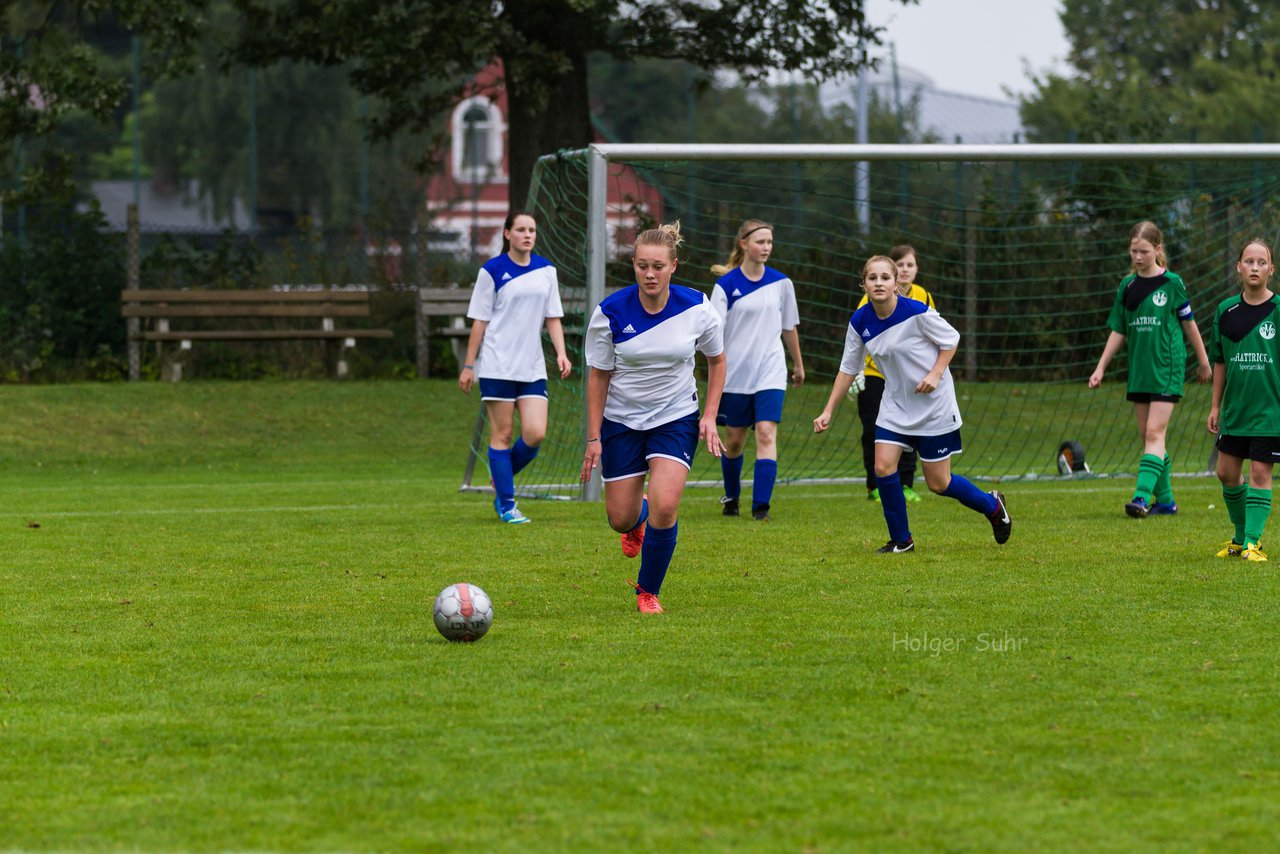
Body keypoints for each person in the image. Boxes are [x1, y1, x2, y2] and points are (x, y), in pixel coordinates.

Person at [813, 256, 1011, 553]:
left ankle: (992, 506)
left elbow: (951, 339)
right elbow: (848, 368)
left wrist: (935, 373)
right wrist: (828, 410)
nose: (878, 283)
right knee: (882, 466)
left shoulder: (916, 311)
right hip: (895, 405)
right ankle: (902, 540)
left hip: (933, 404)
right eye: (872, 278)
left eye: (885, 278)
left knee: (939, 483)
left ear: (896, 283)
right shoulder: (860, 320)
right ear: (863, 284)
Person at [580, 222, 726, 613]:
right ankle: (636, 518)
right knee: (620, 517)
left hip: (675, 417)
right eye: (642, 265)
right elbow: (598, 376)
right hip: (621, 421)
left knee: (666, 505)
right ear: (633, 265)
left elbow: (716, 359)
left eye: (658, 266)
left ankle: (648, 591)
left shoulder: (697, 306)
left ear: (673, 266)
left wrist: (709, 415)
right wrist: (593, 437)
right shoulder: (609, 312)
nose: (649, 273)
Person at [1088, 220, 1212, 518]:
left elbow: (1188, 323)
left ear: (1157, 249)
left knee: (1155, 432)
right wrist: (1100, 367)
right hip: (1140, 370)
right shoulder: (1127, 286)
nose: (1138, 257)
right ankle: (1166, 502)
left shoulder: (1172, 283)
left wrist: (1204, 360)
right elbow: (1119, 330)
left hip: (1167, 366)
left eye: (1143, 251)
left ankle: (1141, 498)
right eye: (1133, 251)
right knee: (1149, 436)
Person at [459, 211, 572, 524]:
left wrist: (561, 353)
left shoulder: (546, 270)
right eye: (521, 229)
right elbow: (480, 321)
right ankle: (507, 505)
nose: (527, 235)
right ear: (507, 234)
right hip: (497, 364)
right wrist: (469, 365)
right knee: (504, 433)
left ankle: (502, 475)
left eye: (532, 230)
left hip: (532, 365)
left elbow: (553, 317)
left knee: (536, 433)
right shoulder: (492, 271)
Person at [710, 219, 805, 522]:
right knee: (735, 441)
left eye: (769, 242)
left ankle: (761, 507)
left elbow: (789, 327)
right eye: (760, 241)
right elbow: (712, 334)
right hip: (734, 375)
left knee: (765, 432)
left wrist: (798, 364)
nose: (766, 247)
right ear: (744, 244)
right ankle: (732, 498)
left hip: (771, 371)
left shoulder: (782, 283)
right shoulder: (725, 286)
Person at [1206, 238, 1280, 562]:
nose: (1254, 267)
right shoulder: (1225, 311)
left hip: (1269, 411)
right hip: (1236, 411)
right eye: (1249, 261)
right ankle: (1240, 536)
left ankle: (1252, 541)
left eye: (1261, 262)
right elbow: (1219, 362)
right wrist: (1215, 406)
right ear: (1239, 267)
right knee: (1225, 472)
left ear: (1271, 270)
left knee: (1260, 474)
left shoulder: (1278, 310)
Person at [852, 243, 936, 504]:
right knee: (873, 429)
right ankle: (874, 485)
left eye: (910, 265)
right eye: (900, 264)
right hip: (875, 373)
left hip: (910, 375)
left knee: (912, 429)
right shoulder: (871, 297)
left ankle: (906, 484)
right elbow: (856, 339)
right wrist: (856, 371)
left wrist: (935, 370)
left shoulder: (923, 296)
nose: (906, 269)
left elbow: (937, 334)